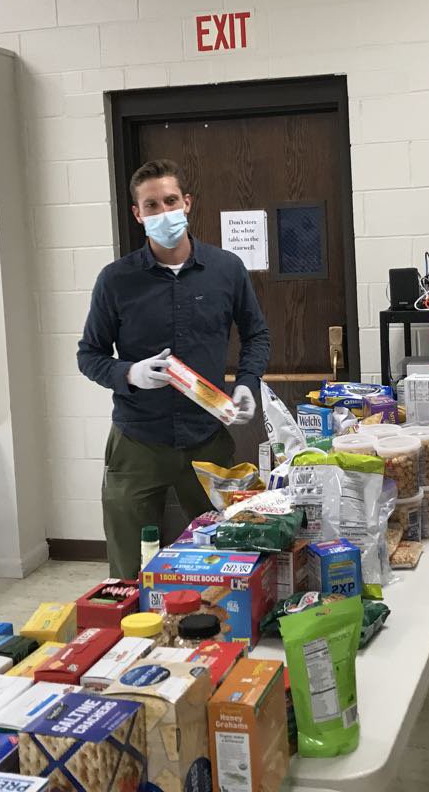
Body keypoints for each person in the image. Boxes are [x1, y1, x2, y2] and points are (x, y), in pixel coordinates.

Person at [77, 158, 270, 579]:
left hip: (207, 437)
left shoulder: (226, 269)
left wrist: (248, 383)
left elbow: (256, 334)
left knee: (226, 554)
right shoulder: (116, 280)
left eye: (170, 201)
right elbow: (88, 354)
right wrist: (129, 374)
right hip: (137, 439)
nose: (163, 213)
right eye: (151, 206)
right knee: (129, 570)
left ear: (187, 203)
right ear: (137, 214)